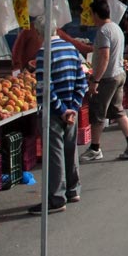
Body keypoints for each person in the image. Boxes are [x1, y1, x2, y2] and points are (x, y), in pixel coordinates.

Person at [28, 15, 88, 214]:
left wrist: (61, 111)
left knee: (54, 154)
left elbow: (45, 89)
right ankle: (73, 189)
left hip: (54, 112)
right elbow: (82, 80)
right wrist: (73, 107)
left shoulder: (44, 54)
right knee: (70, 150)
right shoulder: (71, 49)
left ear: (38, 33)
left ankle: (56, 197)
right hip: (71, 109)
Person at [80, 0, 128, 161]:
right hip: (119, 74)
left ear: (95, 14)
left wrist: (95, 80)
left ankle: (95, 148)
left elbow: (105, 57)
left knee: (98, 113)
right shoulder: (116, 28)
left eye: (91, 14)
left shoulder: (103, 31)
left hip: (108, 77)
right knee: (118, 110)